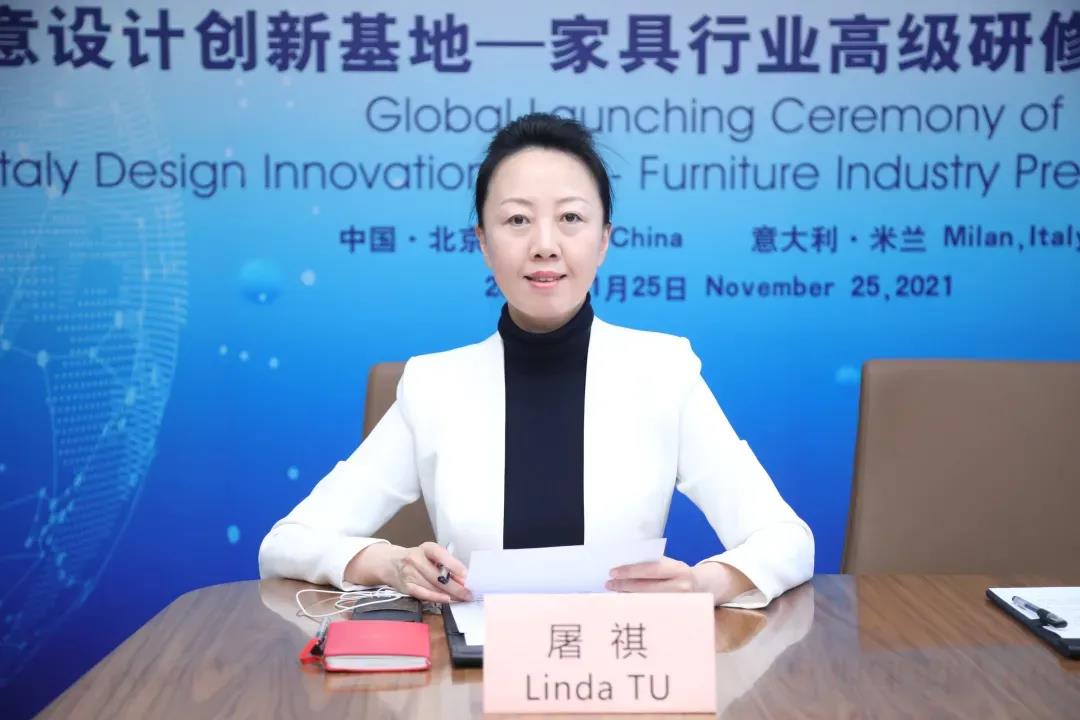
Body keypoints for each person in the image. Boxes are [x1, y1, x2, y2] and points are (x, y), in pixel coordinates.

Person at [258, 113, 813, 609]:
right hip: (474, 674)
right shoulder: (434, 385)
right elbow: (287, 542)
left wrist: (704, 583)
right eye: (518, 220)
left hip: (624, 665)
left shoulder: (665, 371)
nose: (545, 244)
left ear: (603, 240)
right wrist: (390, 564)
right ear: (483, 241)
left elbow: (787, 540)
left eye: (570, 217)